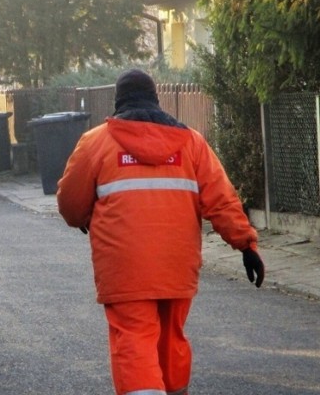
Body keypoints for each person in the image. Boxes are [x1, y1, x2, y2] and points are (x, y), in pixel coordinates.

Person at [56, 68, 265, 395]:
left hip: (124, 268)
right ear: (156, 99)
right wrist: (246, 244)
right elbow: (221, 199)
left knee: (134, 339)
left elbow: (70, 203)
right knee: (172, 338)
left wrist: (84, 216)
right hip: (176, 265)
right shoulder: (191, 142)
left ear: (118, 102)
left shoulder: (96, 142)